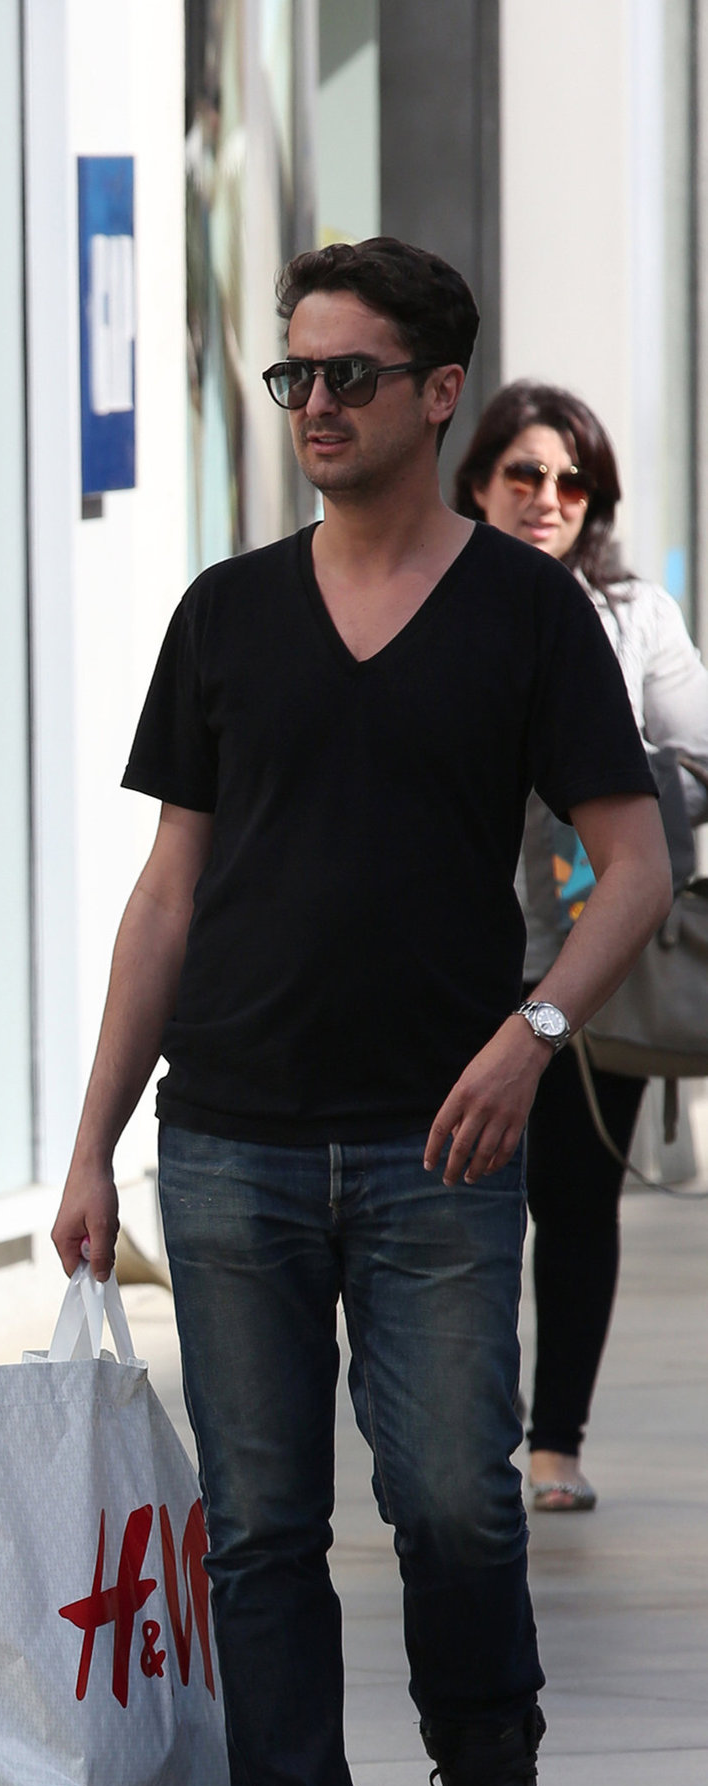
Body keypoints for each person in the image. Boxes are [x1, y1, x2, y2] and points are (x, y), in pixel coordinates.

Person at [52, 238, 670, 1786]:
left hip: (436, 1143)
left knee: (454, 1504)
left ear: (434, 393)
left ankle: (486, 1752)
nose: (312, 404)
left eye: (347, 375)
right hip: (228, 1133)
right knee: (256, 1525)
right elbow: (166, 894)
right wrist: (92, 1142)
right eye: (293, 375)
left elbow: (633, 863)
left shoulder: (526, 611)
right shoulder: (225, 612)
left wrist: (532, 1034)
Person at [454, 384, 708, 1511]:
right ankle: (466, 1441)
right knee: (448, 1213)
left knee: (572, 1202)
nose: (547, 498)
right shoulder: (432, 599)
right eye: (524, 474)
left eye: (572, 481)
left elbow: (699, 755)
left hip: (586, 973)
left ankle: (553, 1442)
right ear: (477, 481)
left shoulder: (632, 615)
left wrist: (614, 788)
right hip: (453, 962)